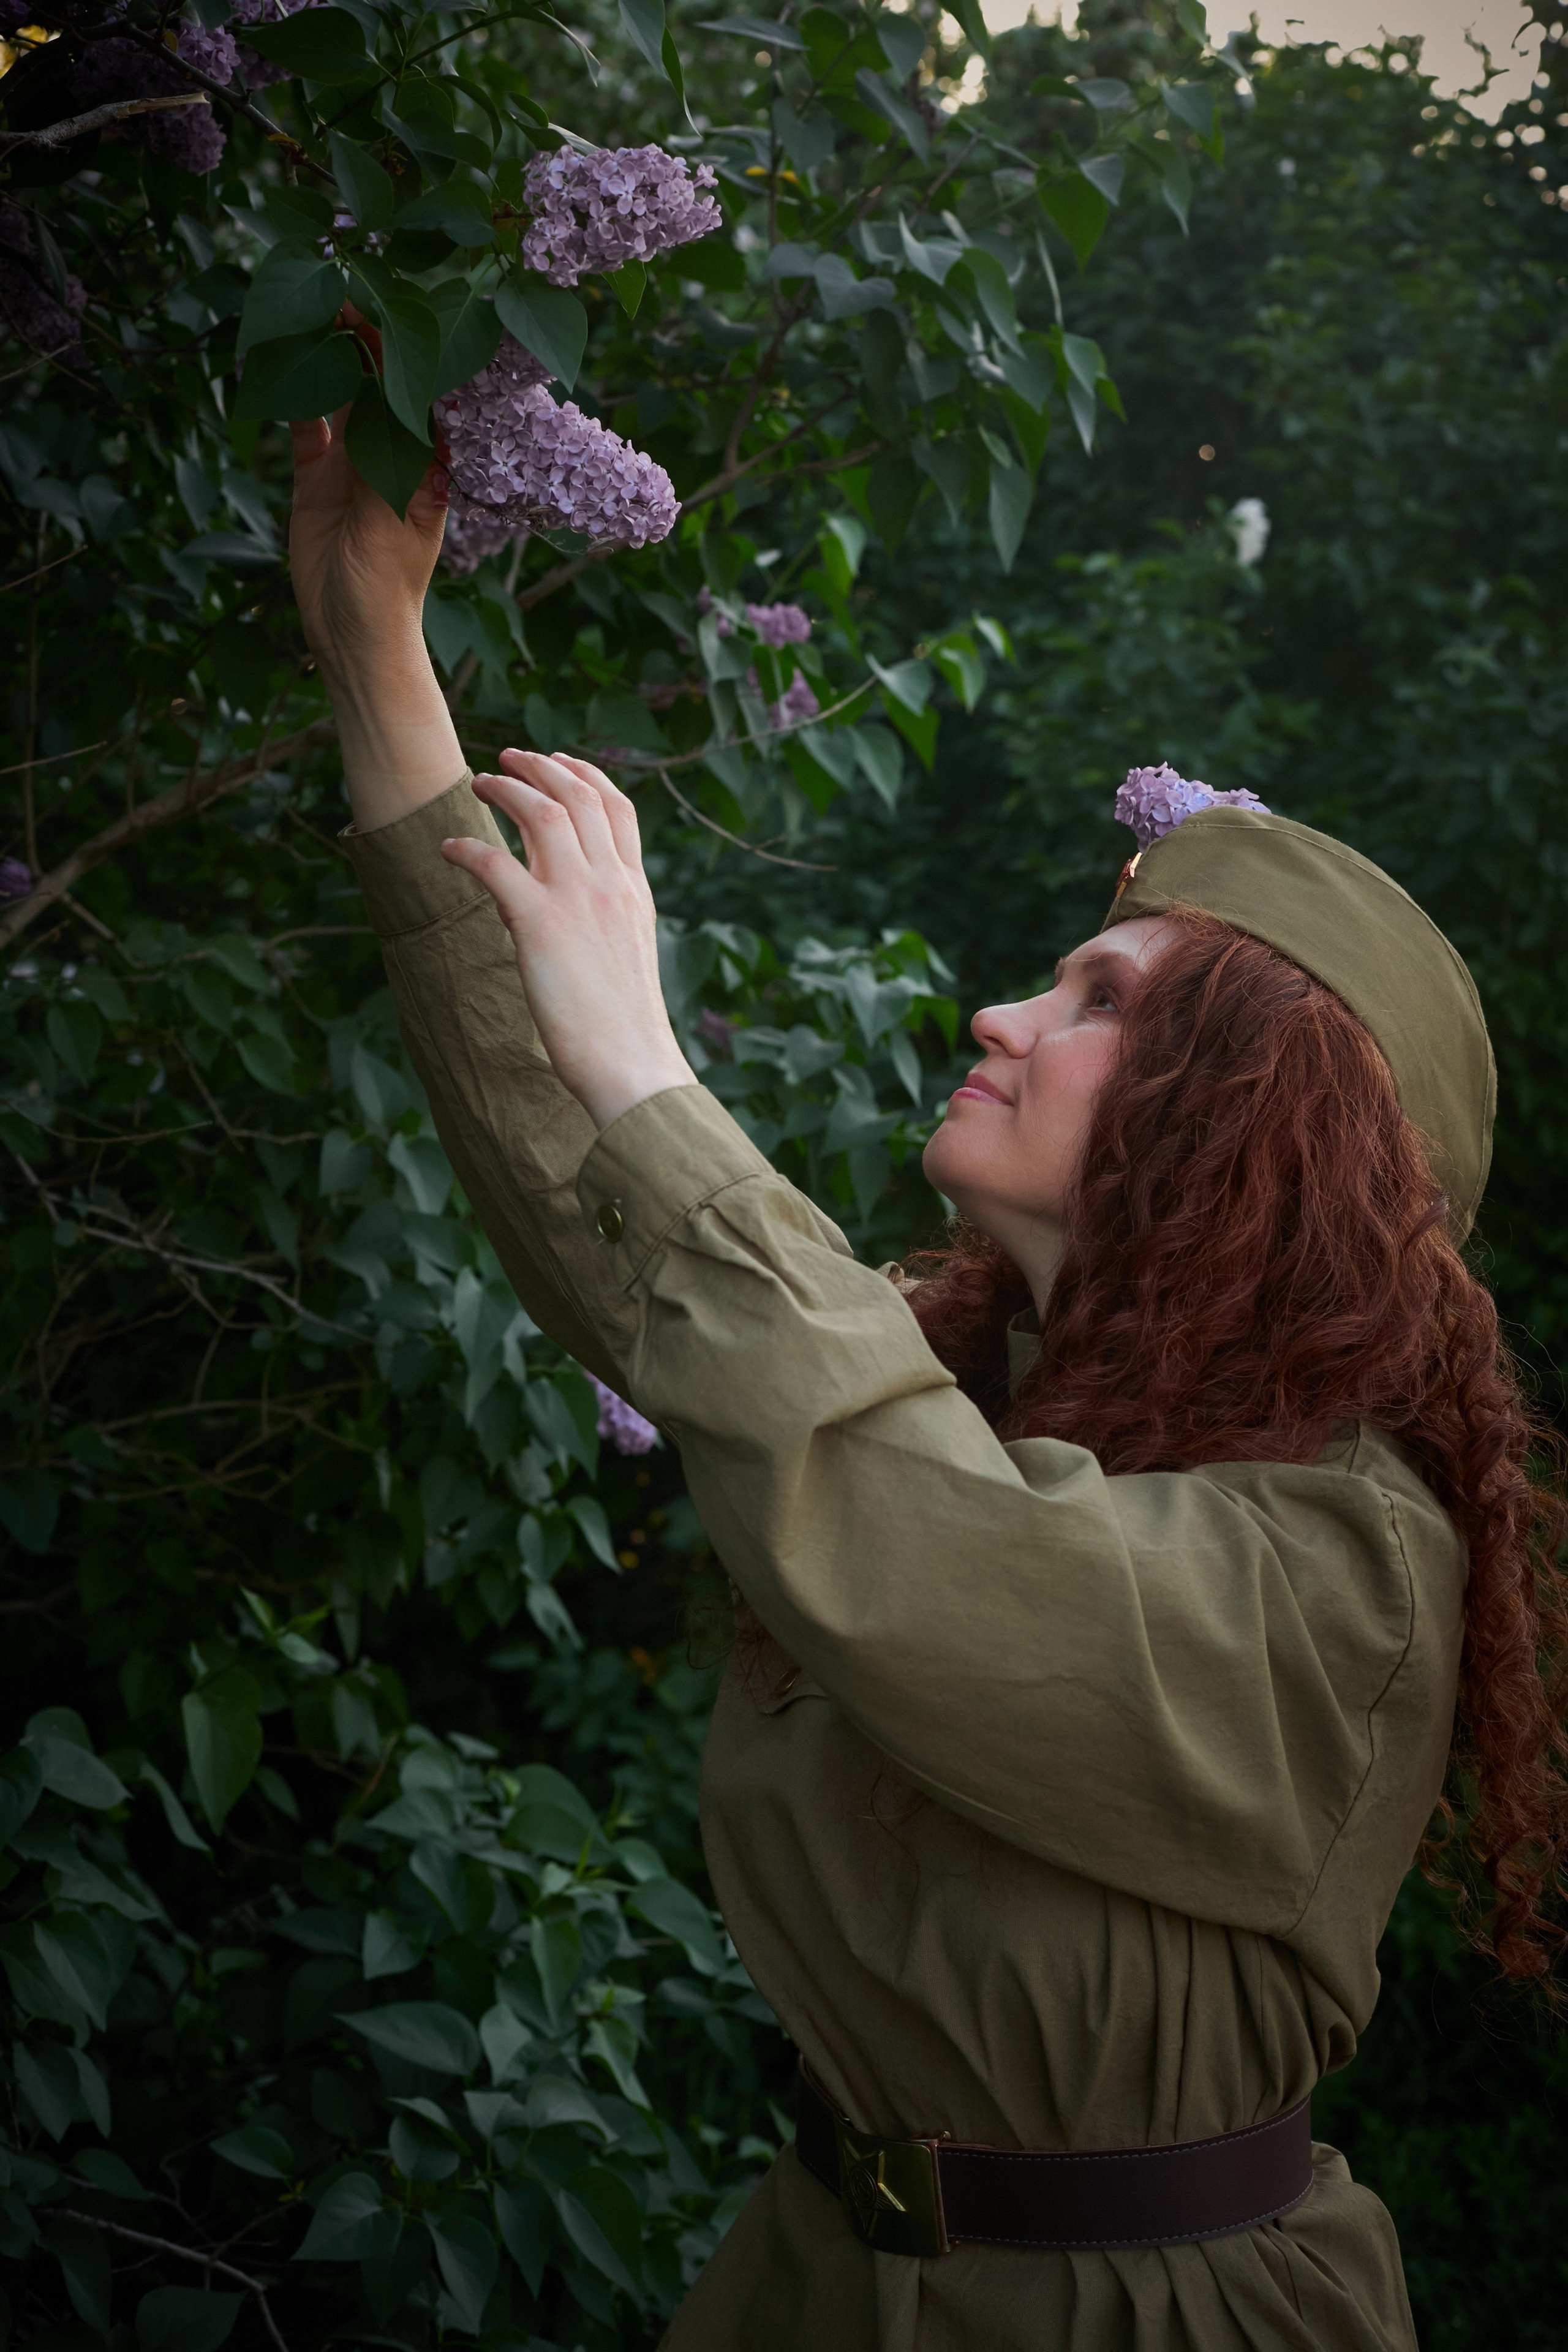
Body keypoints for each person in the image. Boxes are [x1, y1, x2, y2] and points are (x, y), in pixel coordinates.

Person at [291, 410, 1568, 2352]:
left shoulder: (1346, 1562)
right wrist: (377, 647)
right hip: (816, 2287)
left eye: (1103, 1002)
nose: (1005, 1011)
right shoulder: (988, 1400)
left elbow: (912, 1530)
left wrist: (656, 1070)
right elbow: (629, 1241)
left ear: (1254, 1133)